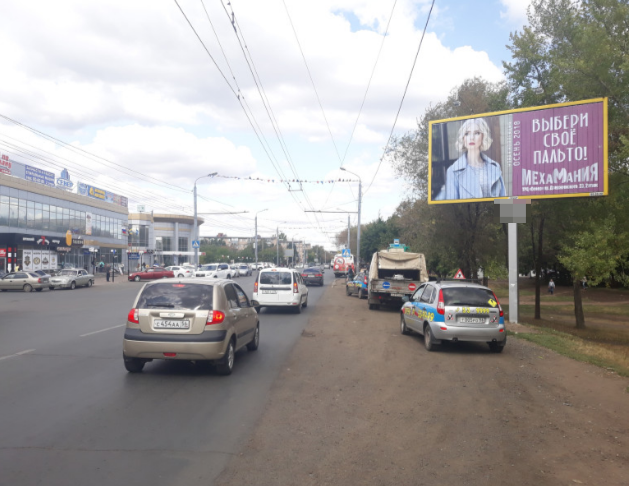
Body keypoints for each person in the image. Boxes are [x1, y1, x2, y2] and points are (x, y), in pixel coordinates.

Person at [436, 118, 506, 200]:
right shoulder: (453, 171)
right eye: (467, 133)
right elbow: (452, 205)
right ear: (463, 138)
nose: (471, 138)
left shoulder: (495, 167)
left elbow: (503, 201)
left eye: (477, 133)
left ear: (483, 136)